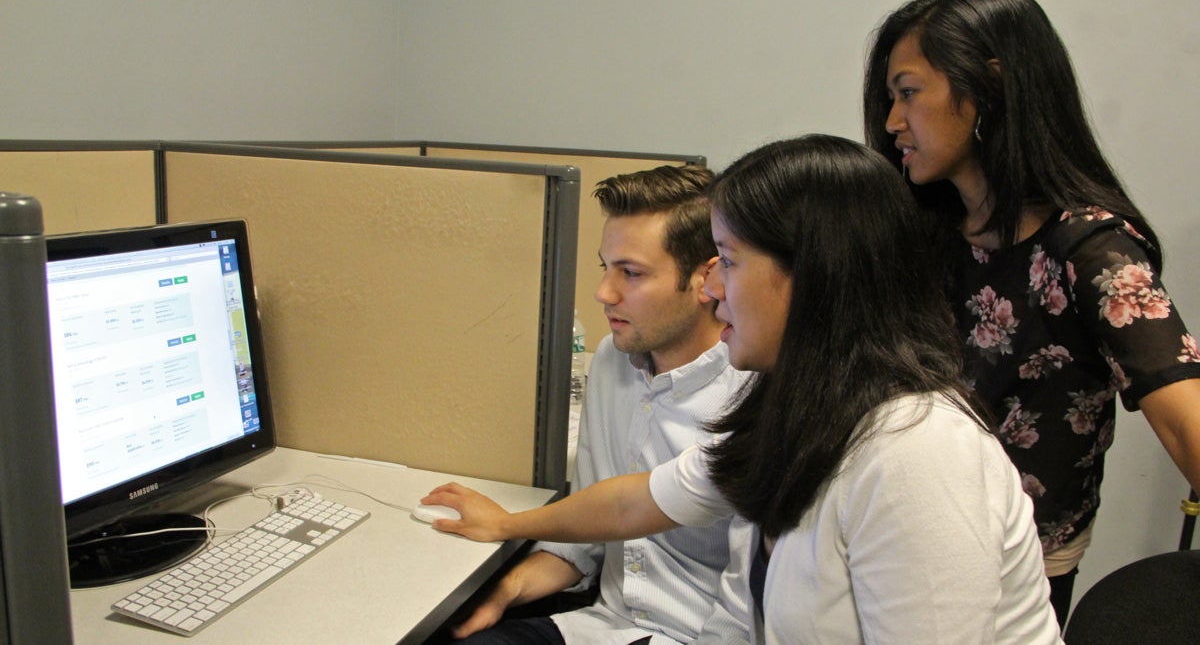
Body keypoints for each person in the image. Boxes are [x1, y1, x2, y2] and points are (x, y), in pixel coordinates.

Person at [426, 135, 1063, 644]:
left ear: (809, 277)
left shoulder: (917, 453)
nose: (710, 290)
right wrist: (508, 526)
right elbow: (636, 503)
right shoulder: (799, 408)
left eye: (728, 262)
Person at [862, 0, 1200, 625]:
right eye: (890, 98)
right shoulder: (922, 232)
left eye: (908, 93)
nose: (892, 123)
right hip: (898, 535)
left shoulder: (1090, 248)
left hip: (1015, 570)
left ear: (988, 89)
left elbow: (1188, 420)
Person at [450, 164, 753, 644]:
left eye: (630, 273)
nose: (603, 293)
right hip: (601, 626)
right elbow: (585, 543)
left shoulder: (754, 393)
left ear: (706, 279)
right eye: (604, 267)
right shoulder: (614, 360)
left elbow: (749, 608)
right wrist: (504, 590)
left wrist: (506, 524)